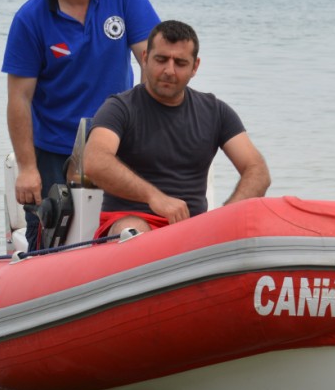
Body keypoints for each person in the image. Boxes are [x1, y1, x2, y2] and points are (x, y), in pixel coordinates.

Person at [2, 0, 160, 244]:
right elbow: (19, 98)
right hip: (54, 150)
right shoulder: (30, 18)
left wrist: (151, 128)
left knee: (124, 225)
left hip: (116, 142)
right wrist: (27, 169)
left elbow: (152, 61)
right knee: (45, 237)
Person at [84, 19, 270, 236]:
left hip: (191, 230)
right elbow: (94, 161)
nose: (169, 71)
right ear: (145, 59)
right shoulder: (119, 108)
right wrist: (155, 198)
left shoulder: (215, 112)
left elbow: (257, 170)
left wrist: (226, 216)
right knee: (134, 232)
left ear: (195, 67)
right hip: (131, 223)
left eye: (180, 63)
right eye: (161, 60)